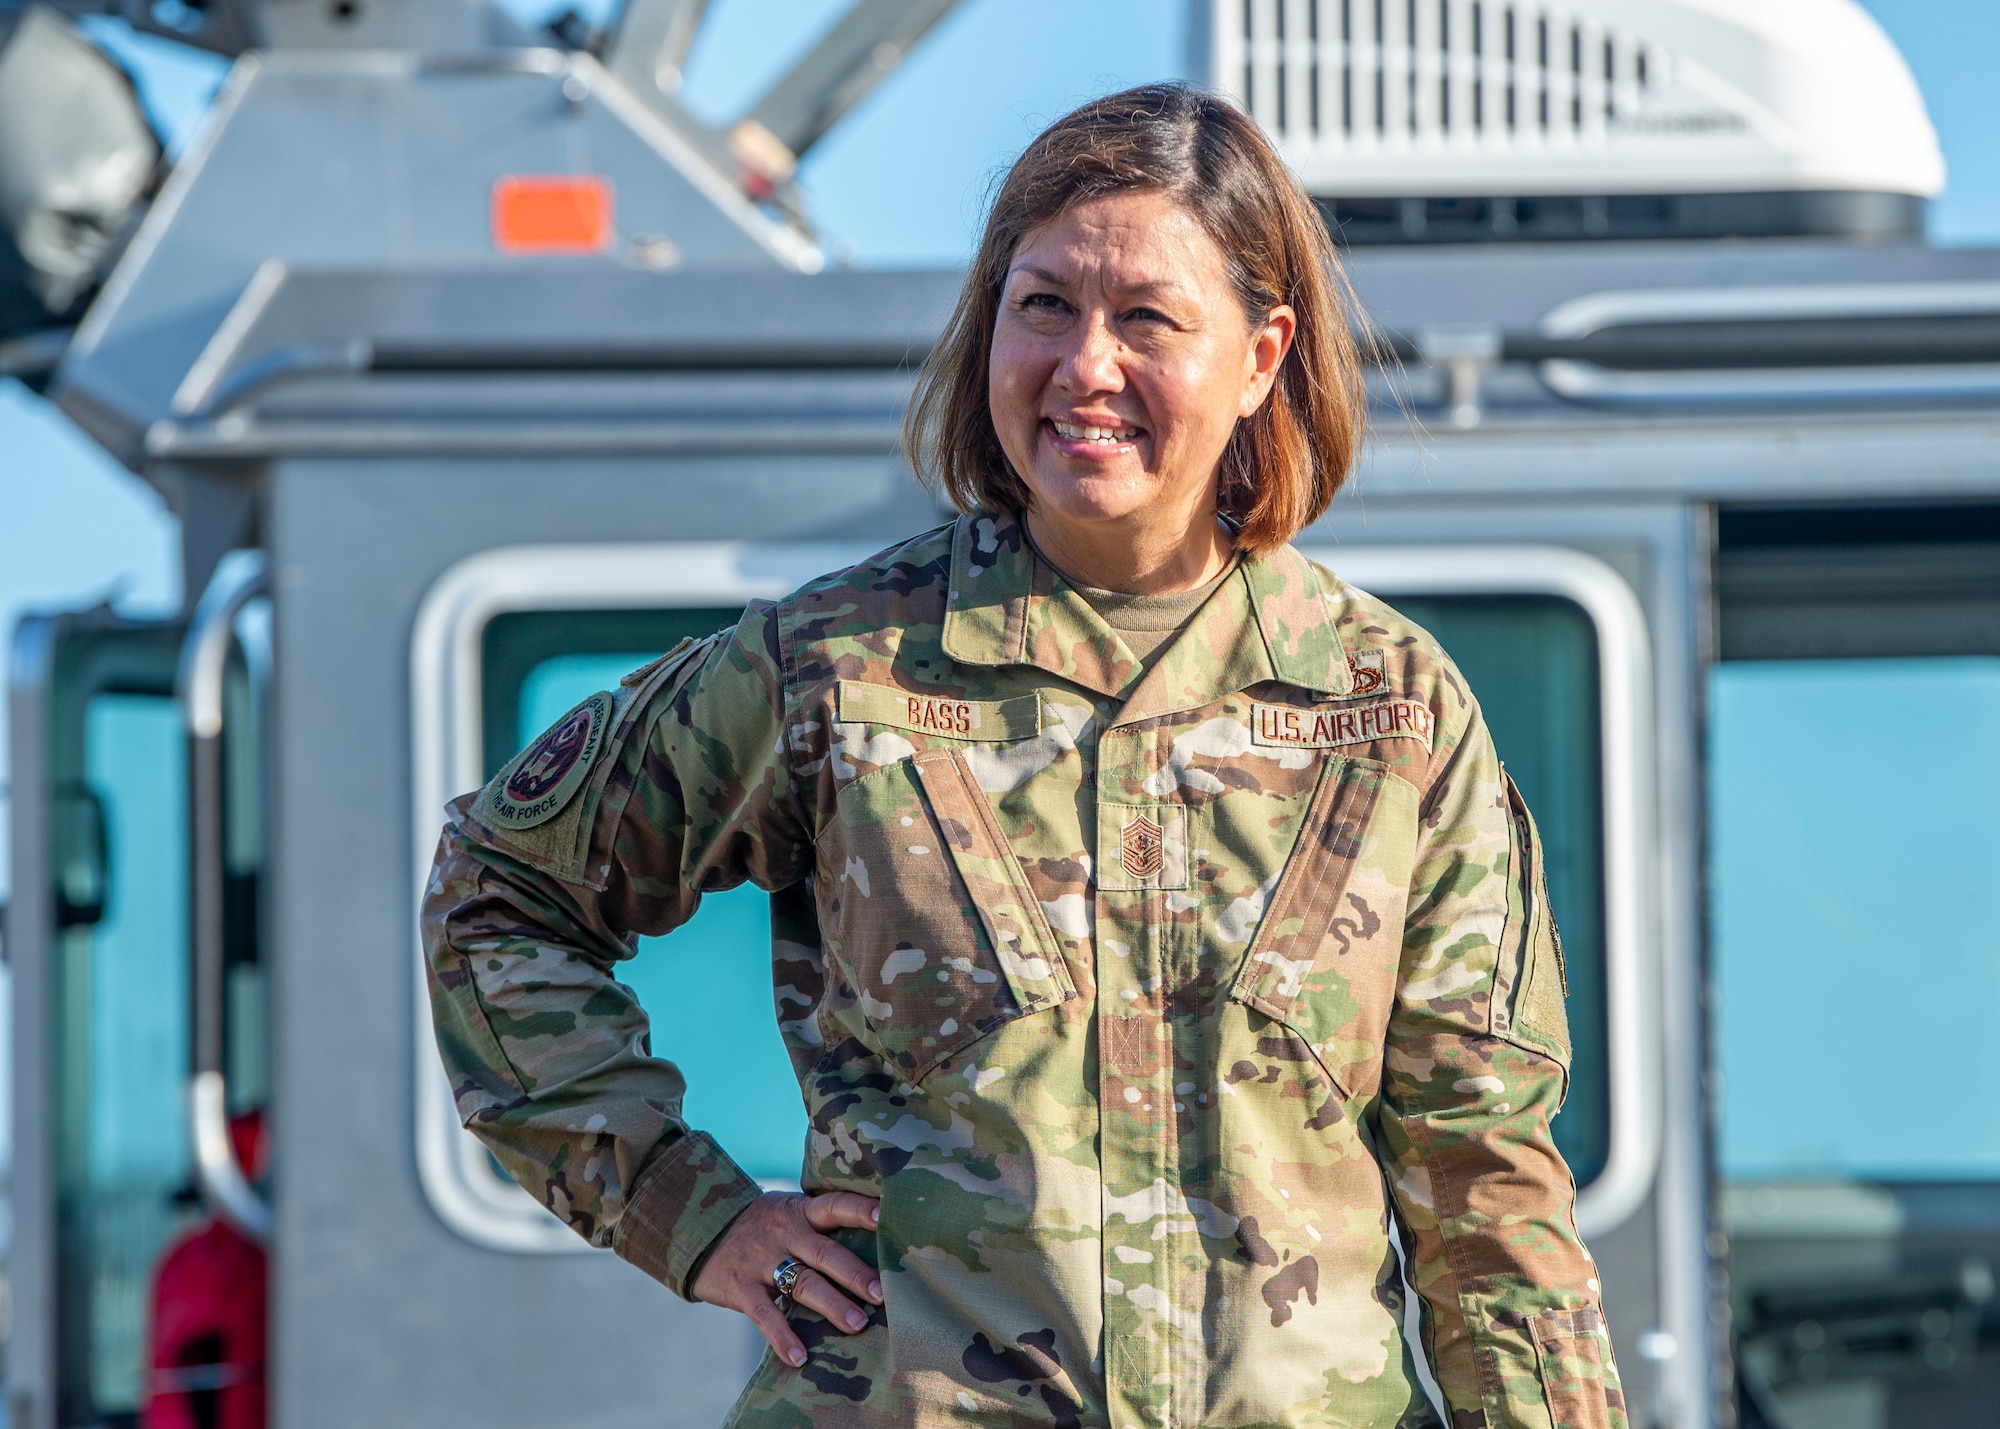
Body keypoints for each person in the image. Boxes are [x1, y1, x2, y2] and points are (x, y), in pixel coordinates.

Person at [424, 82, 1625, 1429]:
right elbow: (495, 890)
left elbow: (1486, 1188)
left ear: (1260, 355)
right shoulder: (839, 670)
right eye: (1042, 304)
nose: (1085, 365)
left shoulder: (1392, 715)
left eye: (1148, 318)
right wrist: (681, 1209)